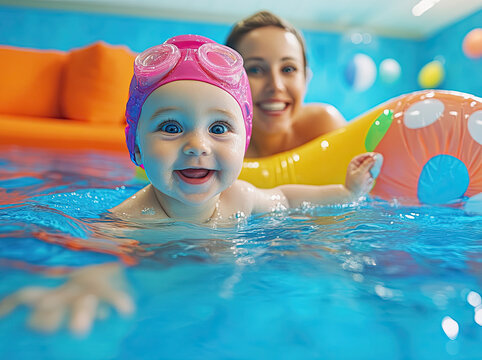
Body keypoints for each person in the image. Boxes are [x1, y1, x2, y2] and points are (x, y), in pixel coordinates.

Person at [0, 35, 381, 335]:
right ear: (136, 145)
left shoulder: (241, 197)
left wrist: (346, 193)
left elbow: (288, 198)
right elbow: (101, 255)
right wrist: (88, 280)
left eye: (218, 128)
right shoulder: (132, 218)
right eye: (171, 127)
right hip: (158, 304)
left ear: (243, 143)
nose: (197, 144)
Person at [226, 10, 347, 158]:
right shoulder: (217, 147)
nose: (276, 85)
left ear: (306, 79)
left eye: (288, 69)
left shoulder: (325, 128)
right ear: (228, 82)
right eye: (256, 70)